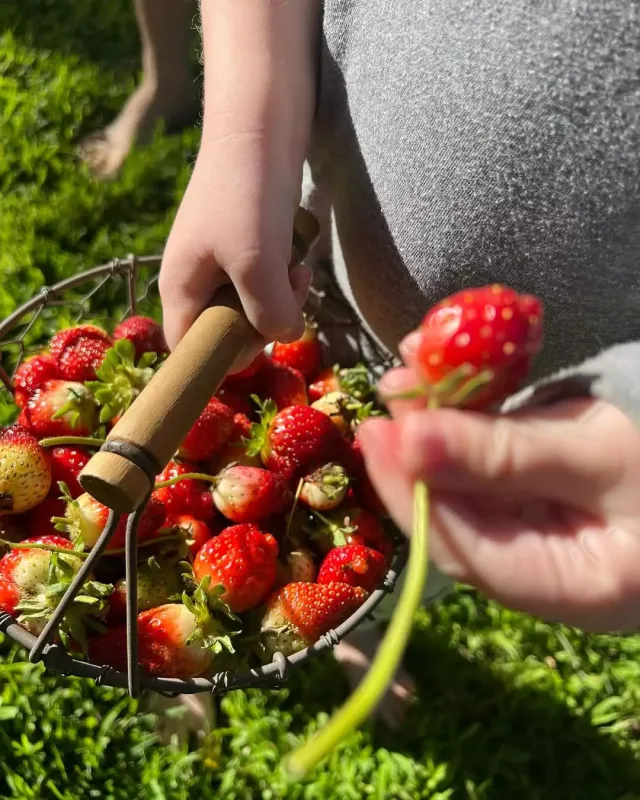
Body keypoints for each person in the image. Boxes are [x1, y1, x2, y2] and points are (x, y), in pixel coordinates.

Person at [152, 1, 640, 723]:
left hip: (565, 426)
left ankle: (359, 620)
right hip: (325, 270)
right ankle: (217, 631)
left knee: (400, 548)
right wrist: (246, 132)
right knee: (335, 481)